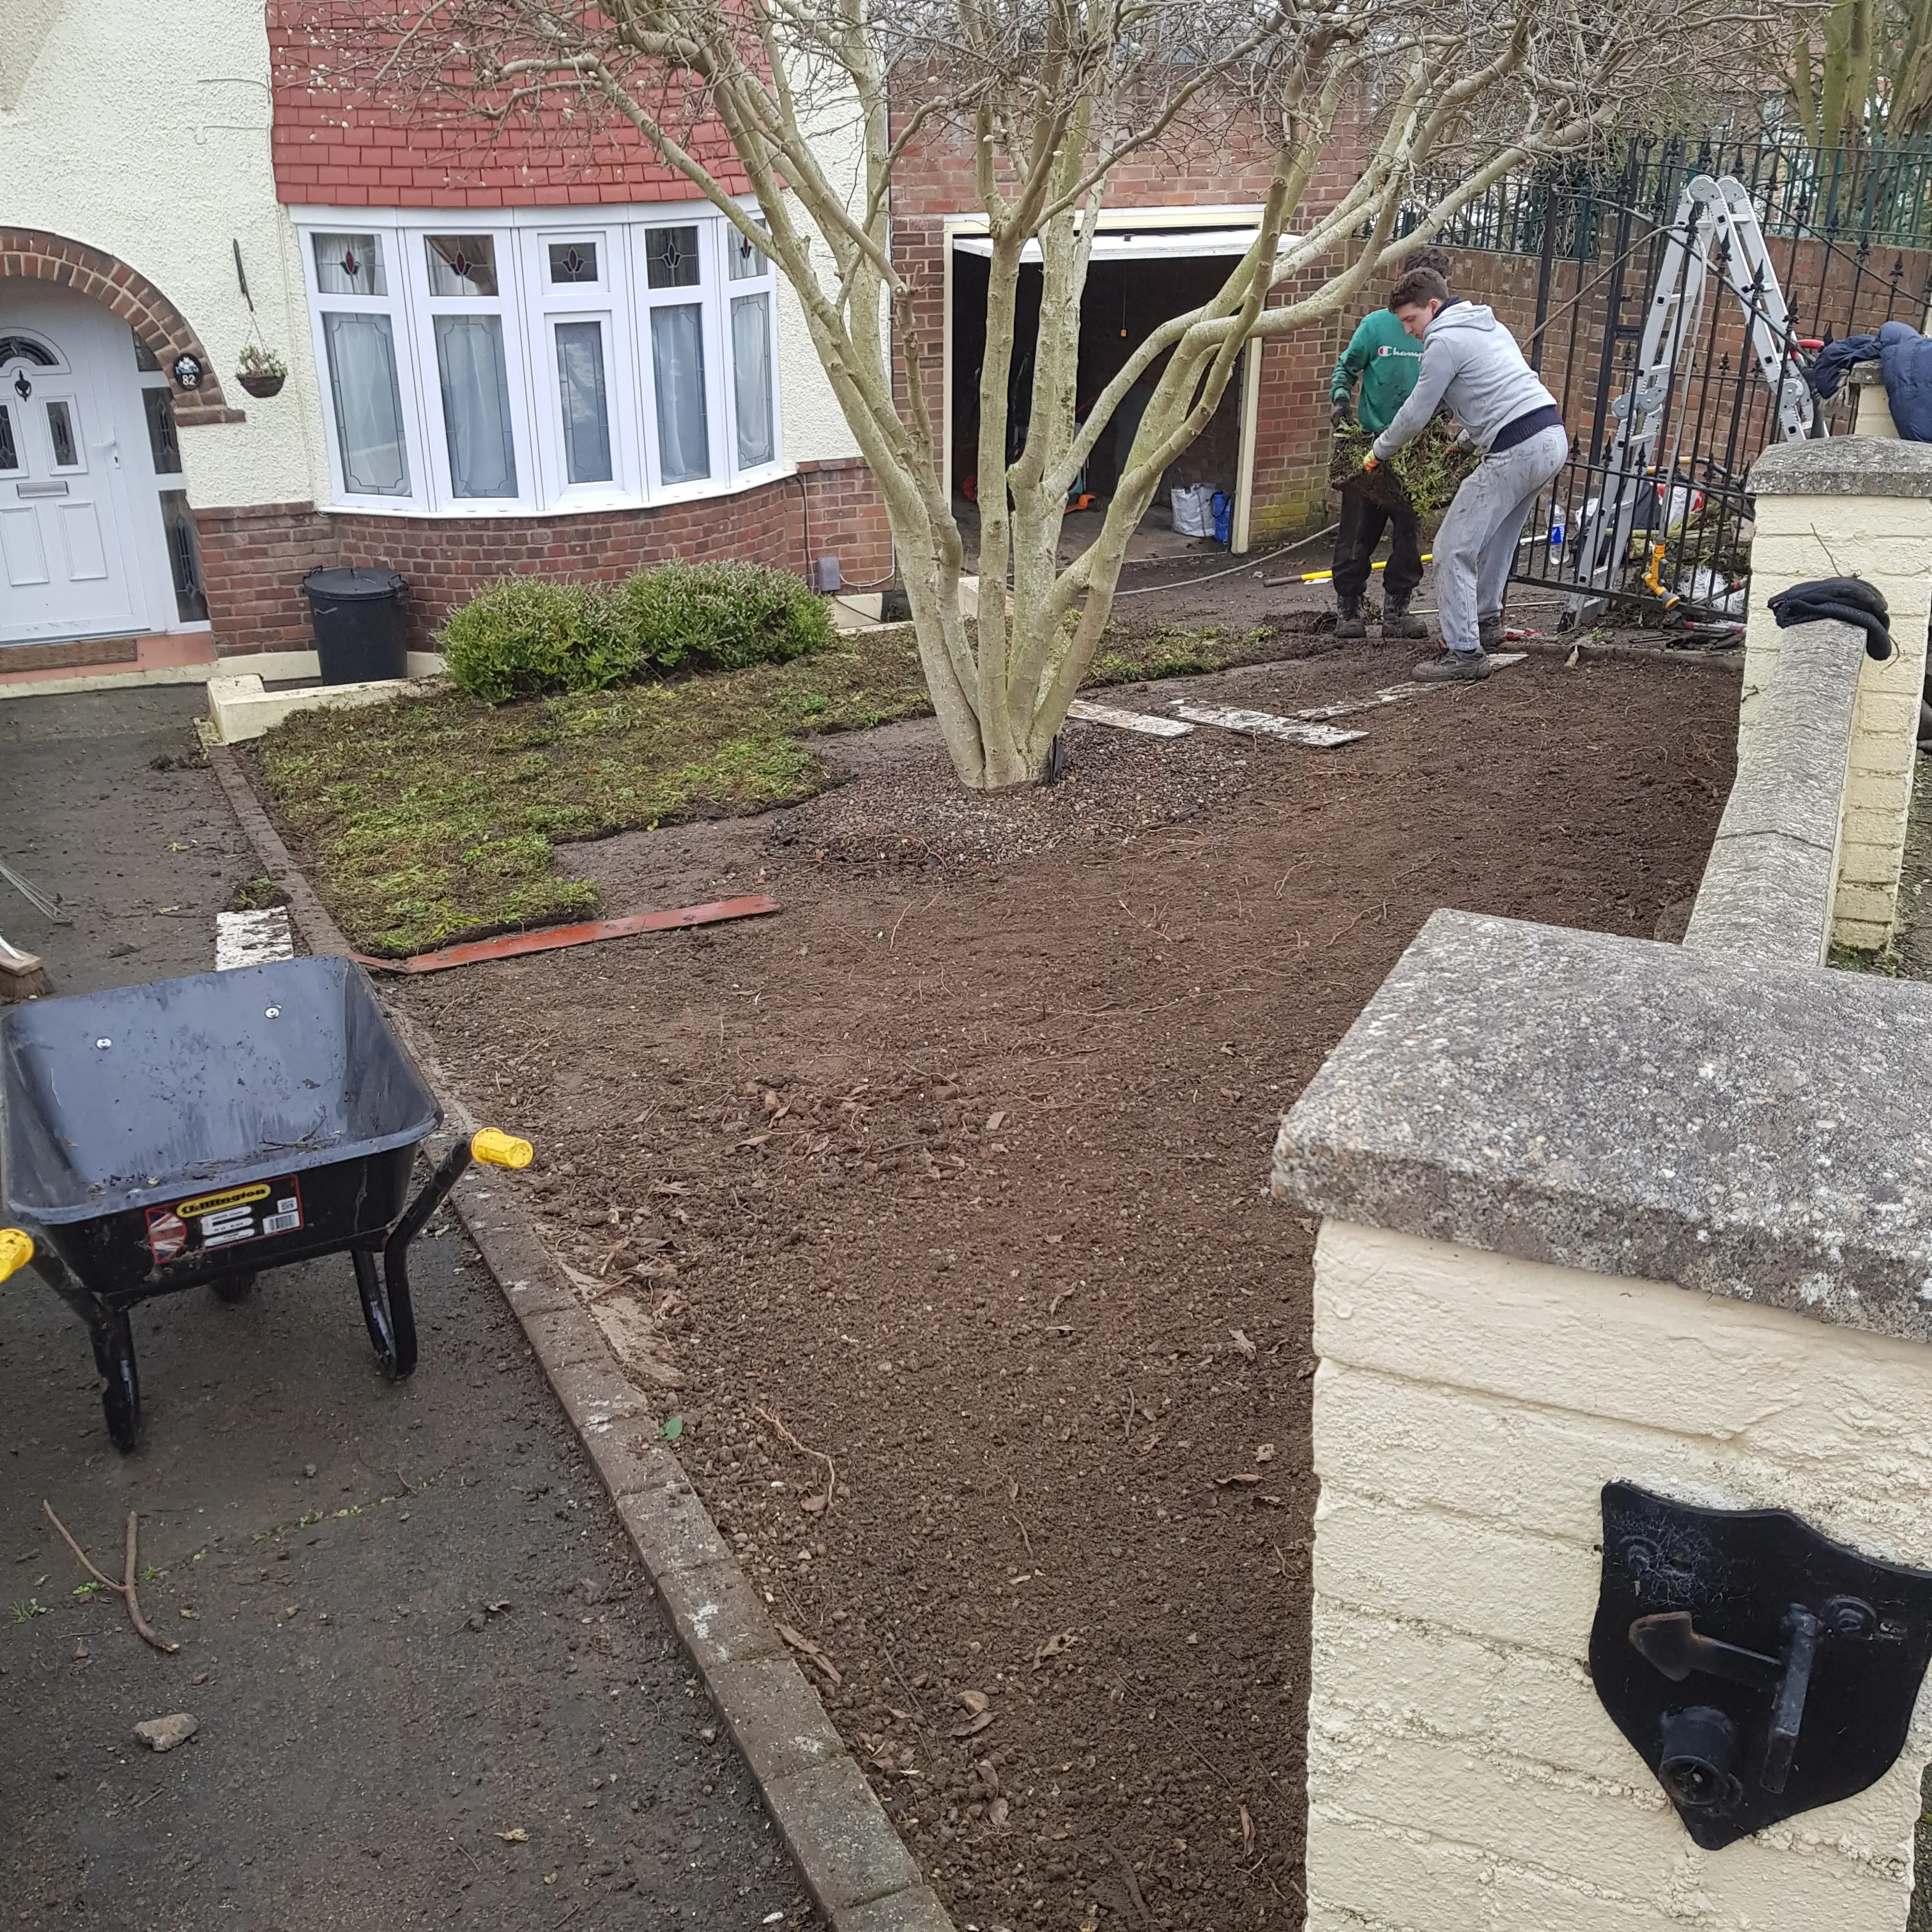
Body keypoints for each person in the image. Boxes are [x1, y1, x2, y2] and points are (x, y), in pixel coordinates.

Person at [1365, 266, 1567, 682]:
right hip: (1550, 436)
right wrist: (1469, 441)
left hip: (1516, 448)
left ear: (1433, 307)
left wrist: (1378, 451)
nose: (1409, 332)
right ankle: (1486, 622)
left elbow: (1416, 413)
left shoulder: (1443, 340)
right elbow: (1492, 390)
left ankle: (1463, 651)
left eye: (1411, 320)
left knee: (1451, 548)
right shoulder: (1489, 327)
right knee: (1498, 539)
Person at [1327, 245, 1450, 641]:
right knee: (1357, 532)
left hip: (1416, 452)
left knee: (1408, 534)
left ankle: (1397, 610)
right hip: (1372, 445)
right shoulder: (1376, 327)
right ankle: (1351, 609)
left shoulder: (1442, 336)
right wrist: (1341, 400)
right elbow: (1345, 368)